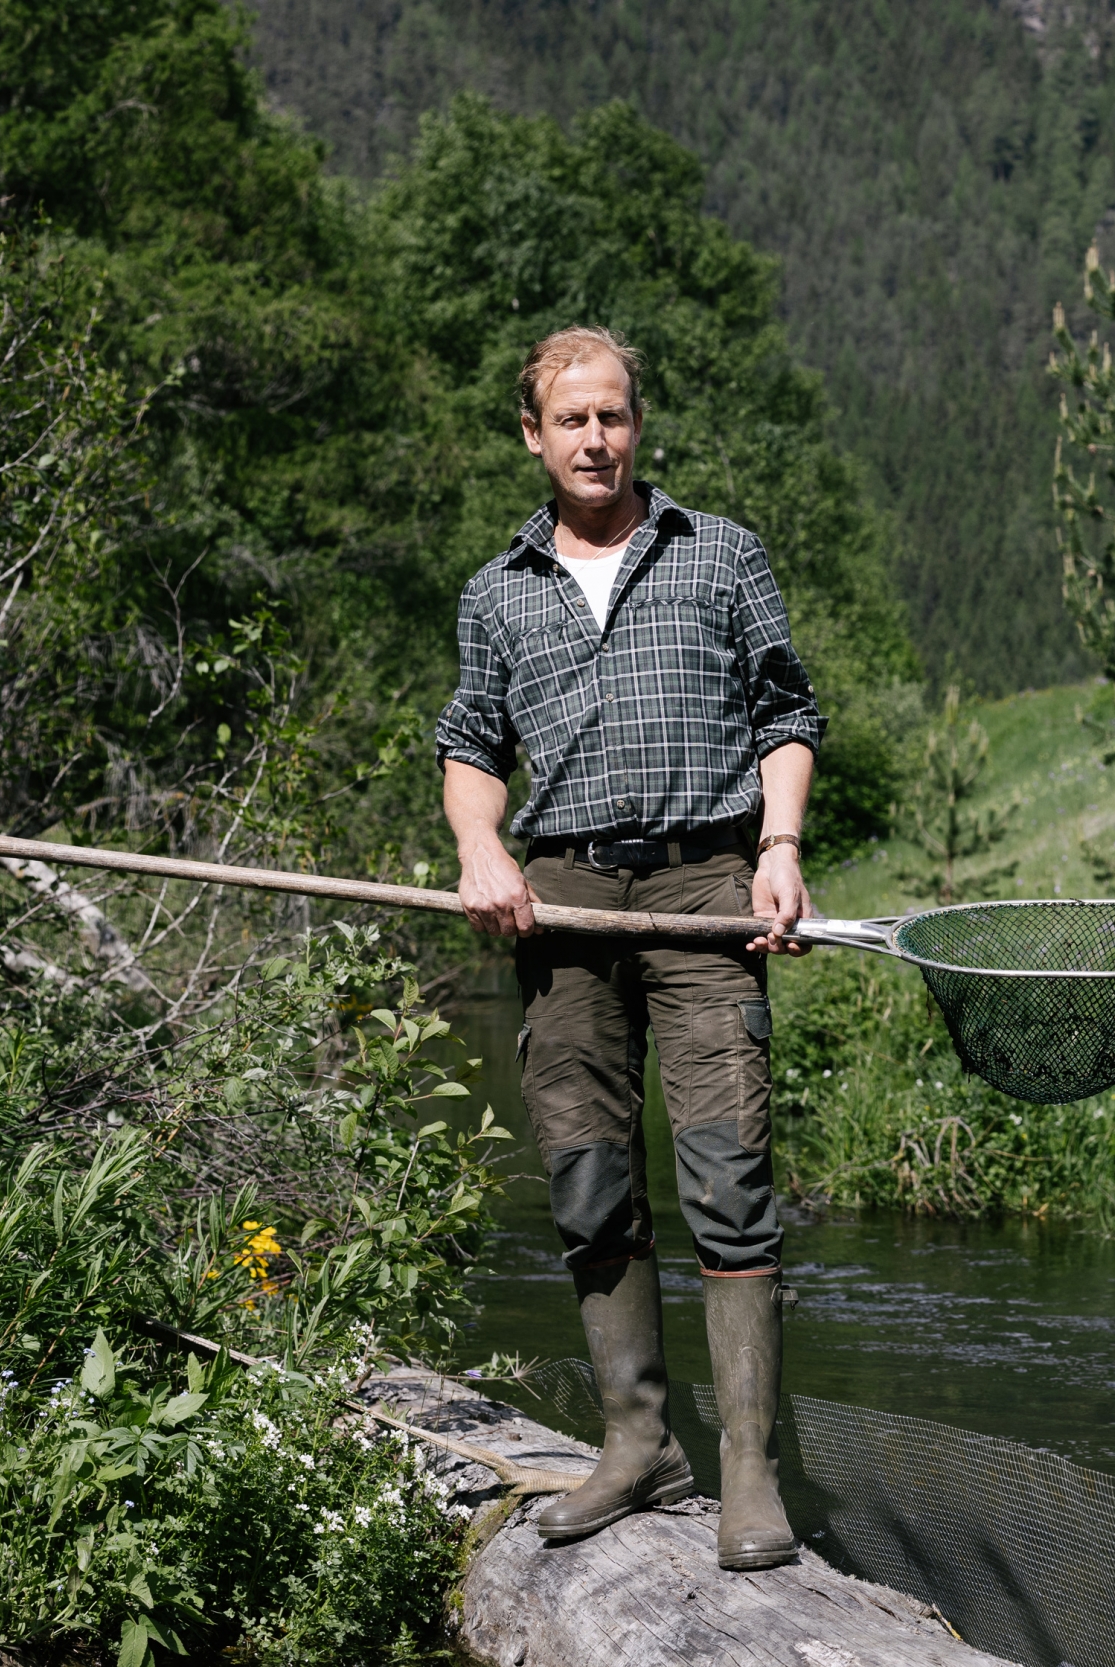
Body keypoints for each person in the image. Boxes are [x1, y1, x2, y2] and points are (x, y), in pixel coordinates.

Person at [435, 324, 819, 1570]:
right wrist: (481, 854)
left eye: (613, 416)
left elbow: (787, 711)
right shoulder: (497, 591)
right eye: (571, 421)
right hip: (563, 900)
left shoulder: (720, 555)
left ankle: (750, 1475)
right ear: (533, 436)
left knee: (727, 1173)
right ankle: (637, 1444)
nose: (595, 439)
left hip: (708, 882)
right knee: (589, 1180)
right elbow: (471, 748)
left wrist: (780, 846)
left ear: (635, 424)